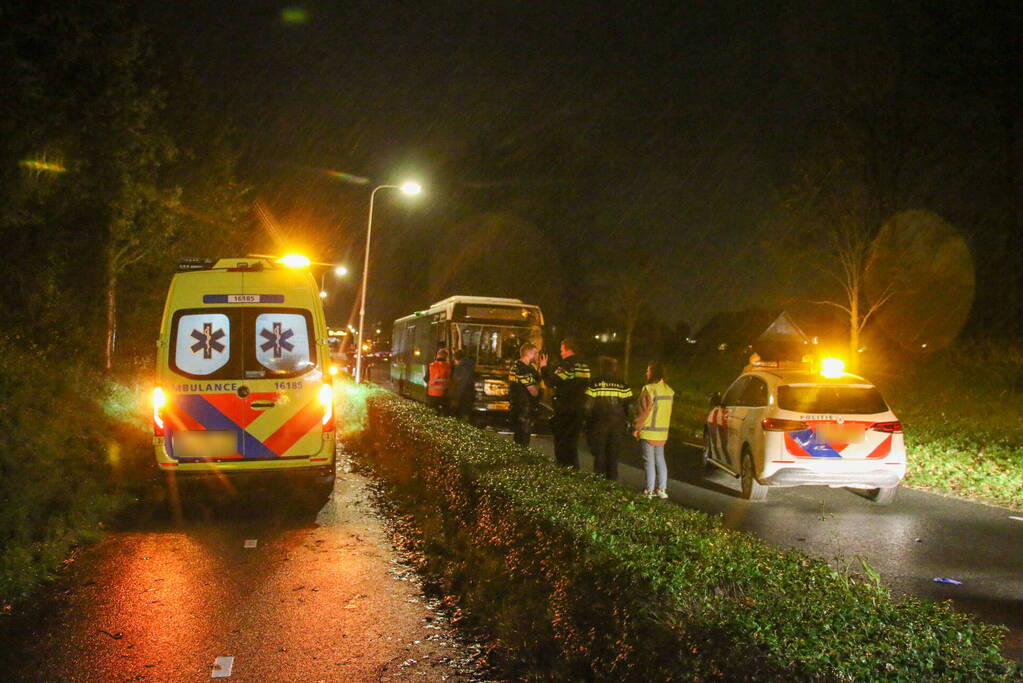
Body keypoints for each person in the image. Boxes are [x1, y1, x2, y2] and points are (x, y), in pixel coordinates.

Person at [540, 338, 590, 469]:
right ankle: (574, 468)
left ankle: (562, 467)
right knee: (572, 441)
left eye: (562, 350)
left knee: (562, 440)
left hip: (565, 408)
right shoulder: (585, 365)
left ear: (568, 349)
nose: (561, 353)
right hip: (579, 407)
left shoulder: (567, 365)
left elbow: (551, 382)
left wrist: (543, 368)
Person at [583, 356, 633, 480]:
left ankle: (599, 483)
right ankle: (612, 484)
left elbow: (587, 406)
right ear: (614, 368)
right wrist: (627, 422)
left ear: (602, 368)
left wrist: (586, 423)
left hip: (598, 425)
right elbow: (629, 406)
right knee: (613, 457)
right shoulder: (622, 384)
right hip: (617, 426)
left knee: (599, 456)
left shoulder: (595, 383)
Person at [633, 361, 675, 499]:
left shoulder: (649, 389)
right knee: (660, 460)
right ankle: (662, 489)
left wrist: (637, 427)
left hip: (649, 430)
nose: (646, 373)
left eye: (648, 371)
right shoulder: (668, 390)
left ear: (653, 373)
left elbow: (643, 411)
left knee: (649, 461)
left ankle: (649, 490)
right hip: (662, 432)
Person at [509, 342, 541, 446]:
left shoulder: (515, 366)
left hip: (517, 406)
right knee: (523, 440)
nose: (538, 356)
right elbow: (533, 391)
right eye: (536, 353)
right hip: (524, 409)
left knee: (518, 438)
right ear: (529, 354)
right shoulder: (523, 369)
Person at [450, 348, 476, 419]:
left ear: (456, 358)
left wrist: (456, 397)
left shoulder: (461, 366)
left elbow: (462, 382)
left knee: (462, 414)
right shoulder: (470, 365)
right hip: (468, 393)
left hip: (463, 395)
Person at [424, 349, 451, 414]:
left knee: (433, 411)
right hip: (443, 393)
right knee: (443, 412)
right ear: (446, 357)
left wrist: (431, 385)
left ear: (437, 356)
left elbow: (426, 378)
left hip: (431, 393)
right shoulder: (448, 366)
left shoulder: (431, 365)